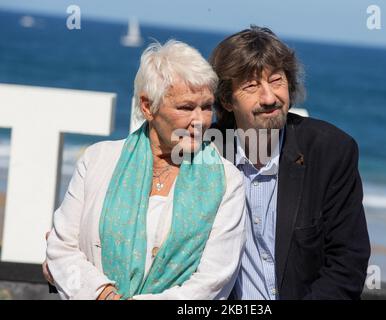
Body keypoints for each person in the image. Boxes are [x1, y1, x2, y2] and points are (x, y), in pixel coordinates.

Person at [44, 40, 246, 300]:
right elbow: (62, 247)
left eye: (206, 107)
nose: (200, 120)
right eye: (186, 107)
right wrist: (103, 295)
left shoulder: (227, 181)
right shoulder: (98, 160)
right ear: (148, 107)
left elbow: (214, 280)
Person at [209, 26, 371, 299]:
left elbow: (347, 265)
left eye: (276, 80)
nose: (269, 97)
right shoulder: (203, 153)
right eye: (251, 85)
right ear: (226, 99)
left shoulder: (332, 151)